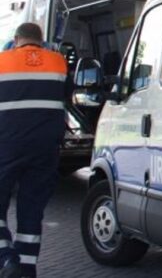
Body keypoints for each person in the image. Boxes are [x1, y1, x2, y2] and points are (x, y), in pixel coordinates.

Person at [0, 23, 69, 278]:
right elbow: (65, 97)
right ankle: (26, 271)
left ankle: (7, 260)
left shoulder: (2, 61)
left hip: (6, 145)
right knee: (31, 212)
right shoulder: (59, 62)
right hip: (44, 149)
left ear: (16, 39)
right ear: (41, 41)